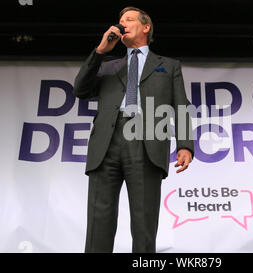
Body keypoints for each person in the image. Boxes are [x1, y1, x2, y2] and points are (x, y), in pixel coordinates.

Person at [73, 6, 194, 253]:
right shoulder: (107, 64)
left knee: (144, 221)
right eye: (119, 20)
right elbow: (80, 90)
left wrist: (184, 145)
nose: (122, 23)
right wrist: (99, 52)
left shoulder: (168, 66)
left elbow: (180, 105)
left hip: (146, 139)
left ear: (146, 27)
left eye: (129, 19)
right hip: (106, 142)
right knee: (99, 220)